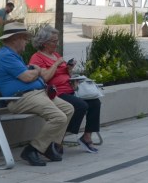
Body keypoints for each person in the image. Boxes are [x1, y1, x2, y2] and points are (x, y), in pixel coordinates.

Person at [0, 23, 74, 166]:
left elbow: (31, 74)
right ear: (14, 39)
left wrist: (34, 71)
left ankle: (47, 146)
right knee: (59, 117)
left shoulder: (14, 55)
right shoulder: (6, 56)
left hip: (35, 94)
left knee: (68, 109)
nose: (26, 42)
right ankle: (32, 149)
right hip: (20, 98)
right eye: (24, 38)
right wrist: (36, 71)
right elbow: (28, 77)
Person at [29, 26, 101, 154]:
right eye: (54, 41)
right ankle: (59, 139)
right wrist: (56, 64)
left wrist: (69, 70)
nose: (57, 44)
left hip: (69, 89)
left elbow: (64, 75)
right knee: (81, 105)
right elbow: (45, 77)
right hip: (55, 93)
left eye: (57, 40)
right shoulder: (37, 58)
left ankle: (86, 137)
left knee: (95, 103)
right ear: (44, 43)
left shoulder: (55, 55)